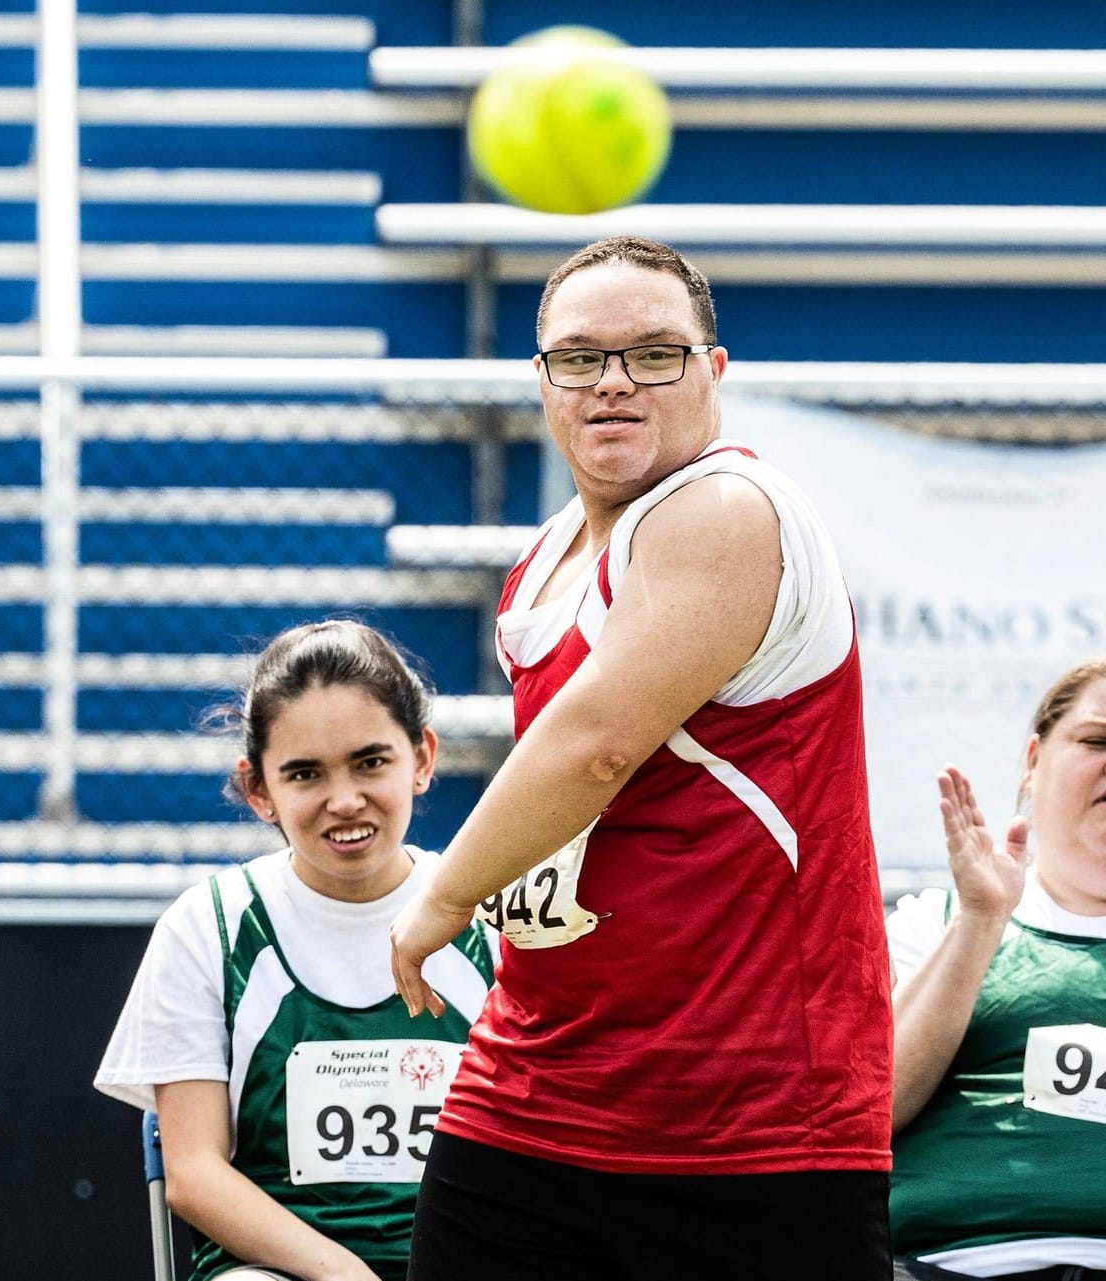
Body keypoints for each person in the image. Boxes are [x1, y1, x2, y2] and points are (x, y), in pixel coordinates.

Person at [387, 236, 892, 1279]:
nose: (613, 381)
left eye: (654, 354)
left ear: (714, 371)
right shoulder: (549, 558)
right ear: (541, 382)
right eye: (580, 357)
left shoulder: (722, 509)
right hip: (540, 1087)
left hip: (747, 1118)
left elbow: (598, 746)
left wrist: (441, 899)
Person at [97, 620, 496, 1281]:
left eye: (371, 761)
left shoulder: (488, 912)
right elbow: (192, 1172)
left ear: (422, 758)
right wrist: (345, 1274)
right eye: (306, 773)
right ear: (258, 789)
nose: (344, 800)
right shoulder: (210, 926)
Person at [887, 660, 1106, 1281]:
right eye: (1096, 741)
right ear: (1034, 760)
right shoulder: (939, 919)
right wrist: (981, 922)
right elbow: (867, 1107)